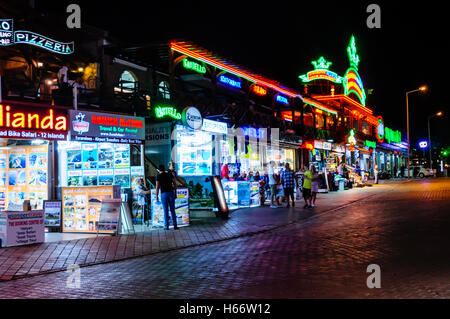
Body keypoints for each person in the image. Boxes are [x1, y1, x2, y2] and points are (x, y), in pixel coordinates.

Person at [155, 164, 178, 230]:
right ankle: (175, 225)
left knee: (165, 210)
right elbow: (174, 183)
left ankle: (166, 226)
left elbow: (157, 187)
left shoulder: (158, 176)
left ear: (158, 170)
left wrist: (156, 196)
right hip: (171, 193)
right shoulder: (169, 174)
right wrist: (175, 193)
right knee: (172, 210)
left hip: (163, 194)